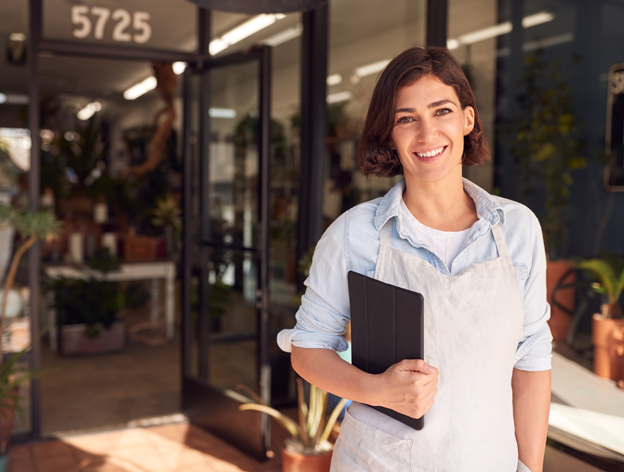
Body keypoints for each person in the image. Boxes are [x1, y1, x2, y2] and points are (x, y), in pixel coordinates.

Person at [277, 46, 552, 472]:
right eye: (406, 118)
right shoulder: (354, 235)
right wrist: (376, 389)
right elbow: (308, 349)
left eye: (441, 111)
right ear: (389, 134)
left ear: (467, 119)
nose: (426, 135)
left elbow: (532, 359)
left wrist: (530, 469)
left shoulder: (517, 230)